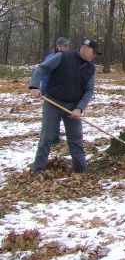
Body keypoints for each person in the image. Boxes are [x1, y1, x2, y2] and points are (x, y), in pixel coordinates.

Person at [28, 39, 102, 174]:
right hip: (53, 102)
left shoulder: (90, 68)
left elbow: (89, 90)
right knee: (47, 137)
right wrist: (34, 85)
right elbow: (42, 68)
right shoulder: (62, 57)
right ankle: (37, 171)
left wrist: (79, 108)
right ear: (85, 48)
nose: (94, 56)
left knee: (76, 139)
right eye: (94, 52)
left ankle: (81, 171)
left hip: (73, 107)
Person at [40, 37, 72, 145]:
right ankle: (53, 138)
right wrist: (44, 91)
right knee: (52, 117)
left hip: (64, 93)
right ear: (58, 46)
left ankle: (56, 137)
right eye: (63, 46)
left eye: (67, 46)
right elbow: (45, 75)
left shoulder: (69, 58)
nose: (66, 48)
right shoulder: (51, 58)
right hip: (51, 93)